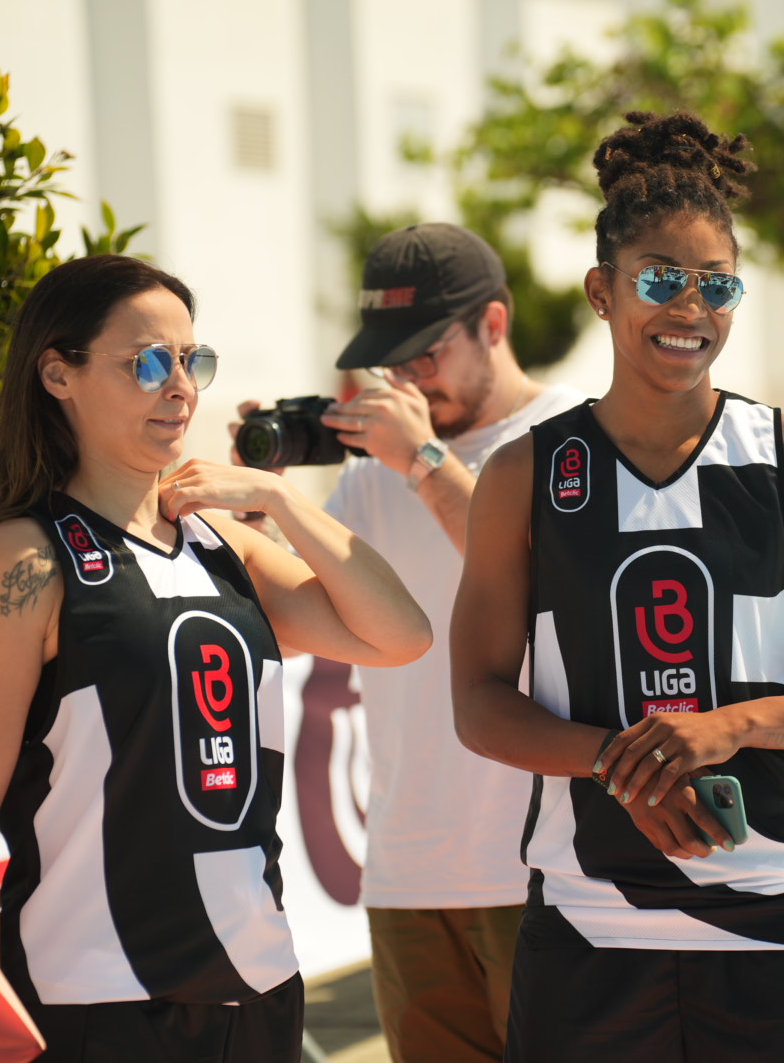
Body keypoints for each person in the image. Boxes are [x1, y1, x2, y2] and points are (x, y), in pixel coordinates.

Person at [449, 111, 784, 1063]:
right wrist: (622, 761)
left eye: (717, 286)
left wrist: (733, 725)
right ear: (601, 293)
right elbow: (482, 706)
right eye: (661, 281)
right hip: (591, 921)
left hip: (779, 909)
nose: (689, 310)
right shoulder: (526, 473)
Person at [0, 255, 432, 1062]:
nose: (180, 388)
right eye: (148, 363)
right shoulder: (23, 558)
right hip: (94, 997)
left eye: (192, 361)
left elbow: (400, 635)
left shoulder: (221, 538)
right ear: (57, 375)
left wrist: (276, 498)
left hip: (256, 980)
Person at [240, 222, 585, 1063]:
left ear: (493, 327)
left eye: (424, 355)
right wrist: (254, 508)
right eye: (389, 360)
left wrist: (425, 460)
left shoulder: (574, 439)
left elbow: (550, 592)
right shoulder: (371, 474)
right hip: (405, 870)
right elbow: (290, 622)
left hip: (546, 870)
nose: (402, 381)